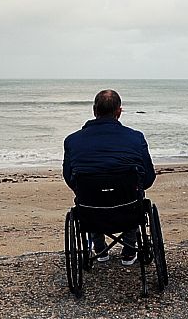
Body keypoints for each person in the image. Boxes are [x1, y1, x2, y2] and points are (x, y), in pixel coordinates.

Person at [63, 89, 155, 265]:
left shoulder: (72, 140)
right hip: (128, 209)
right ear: (119, 111)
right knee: (132, 194)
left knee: (90, 192)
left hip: (91, 209)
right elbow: (148, 178)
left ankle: (99, 250)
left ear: (94, 110)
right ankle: (129, 251)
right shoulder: (135, 138)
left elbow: (69, 178)